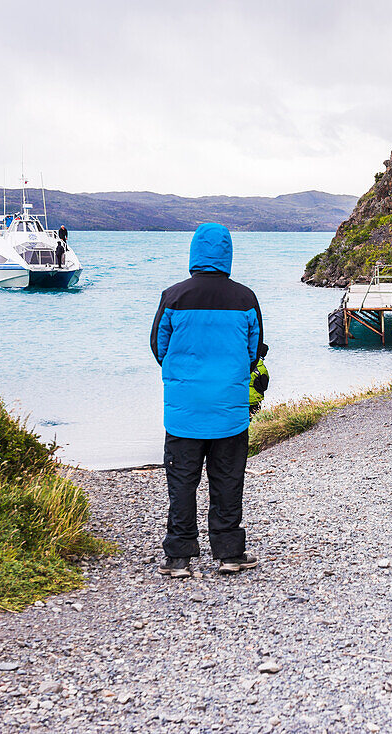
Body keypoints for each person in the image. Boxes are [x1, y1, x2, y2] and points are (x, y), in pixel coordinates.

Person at [150, 222, 262, 578]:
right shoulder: (245, 298)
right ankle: (229, 552)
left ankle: (178, 556)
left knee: (182, 481)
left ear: (194, 251)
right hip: (228, 410)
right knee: (227, 480)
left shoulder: (173, 296)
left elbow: (159, 346)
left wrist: (182, 373)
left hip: (184, 411)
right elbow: (254, 350)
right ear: (227, 252)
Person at [249, 344, 270, 416]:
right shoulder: (262, 369)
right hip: (255, 400)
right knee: (254, 419)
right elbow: (264, 387)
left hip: (241, 398)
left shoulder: (244, 365)